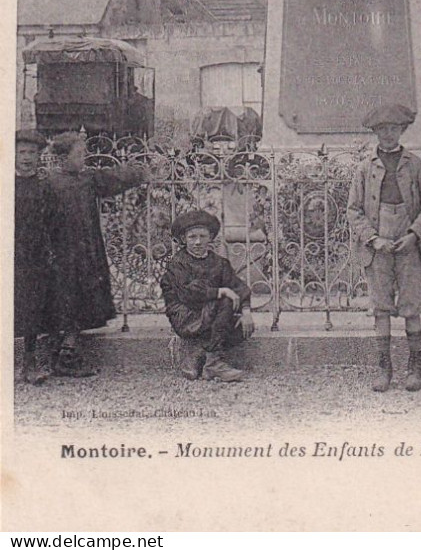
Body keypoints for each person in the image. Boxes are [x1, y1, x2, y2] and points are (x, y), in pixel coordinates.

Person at [347, 103, 421, 392]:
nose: (388, 134)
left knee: (411, 305)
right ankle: (384, 367)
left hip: (408, 241)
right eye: (382, 129)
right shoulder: (364, 169)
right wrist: (373, 239)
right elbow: (354, 210)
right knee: (381, 307)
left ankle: (415, 366)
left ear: (402, 131)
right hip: (378, 242)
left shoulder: (414, 165)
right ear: (375, 133)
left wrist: (414, 234)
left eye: (394, 129)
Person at [45, 132, 148, 376]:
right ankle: (62, 355)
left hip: (85, 251)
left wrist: (141, 172)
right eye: (79, 154)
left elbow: (114, 178)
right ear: (62, 158)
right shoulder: (49, 183)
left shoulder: (87, 179)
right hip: (60, 254)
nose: (84, 159)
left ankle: (67, 352)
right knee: (61, 301)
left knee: (80, 299)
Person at [160, 209, 254, 383]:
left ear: (210, 237)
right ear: (183, 240)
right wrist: (220, 291)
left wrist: (246, 311)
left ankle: (197, 356)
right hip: (186, 315)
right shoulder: (177, 264)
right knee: (226, 300)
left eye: (202, 236)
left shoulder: (219, 263)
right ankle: (213, 363)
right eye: (192, 237)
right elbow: (187, 293)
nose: (197, 242)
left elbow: (237, 286)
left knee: (243, 328)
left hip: (211, 313)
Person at [14, 130, 53, 384]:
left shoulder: (44, 187)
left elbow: (51, 222)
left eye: (32, 153)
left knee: (31, 309)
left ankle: (29, 363)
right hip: (9, 254)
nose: (26, 158)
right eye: (22, 152)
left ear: (39, 157)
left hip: (34, 257)